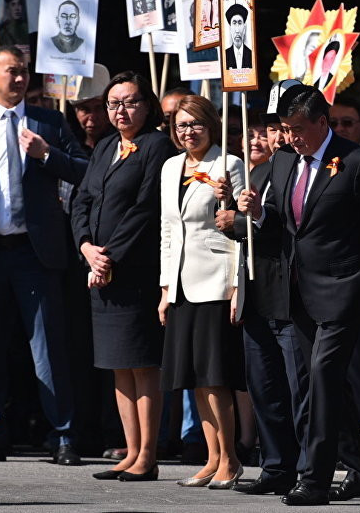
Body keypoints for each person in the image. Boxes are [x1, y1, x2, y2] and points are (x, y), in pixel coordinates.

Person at [238, 85, 360, 505]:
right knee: (326, 386)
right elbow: (285, 225)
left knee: (322, 378)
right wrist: (259, 213)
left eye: (298, 129)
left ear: (322, 122)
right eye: (285, 129)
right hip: (298, 290)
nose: (291, 137)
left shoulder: (356, 163)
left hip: (344, 289)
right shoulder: (284, 159)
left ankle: (314, 478)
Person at [0, 46, 88, 465]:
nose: (19, 78)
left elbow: (83, 170)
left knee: (48, 349)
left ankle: (63, 436)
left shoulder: (49, 121)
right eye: (11, 71)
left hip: (34, 254)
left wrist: (46, 153)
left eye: (24, 71)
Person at [71, 71, 174, 482]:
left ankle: (148, 454)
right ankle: (130, 451)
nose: (121, 110)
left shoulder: (156, 146)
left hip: (134, 271)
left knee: (143, 363)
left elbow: (146, 208)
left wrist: (109, 258)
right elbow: (83, 198)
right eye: (114, 103)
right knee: (117, 365)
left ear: (146, 105)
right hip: (100, 271)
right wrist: (85, 248)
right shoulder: (106, 146)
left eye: (130, 102)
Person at [212, 79, 299, 496]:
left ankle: (309, 465)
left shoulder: (294, 168)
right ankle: (275, 465)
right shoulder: (256, 172)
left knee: (297, 386)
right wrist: (229, 213)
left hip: (290, 293)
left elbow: (285, 227)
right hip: (255, 290)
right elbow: (242, 233)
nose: (267, 135)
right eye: (266, 127)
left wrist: (252, 219)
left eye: (276, 127)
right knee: (262, 386)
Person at [159, 94, 246, 489]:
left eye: (195, 123)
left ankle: (230, 458)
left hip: (215, 280)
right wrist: (164, 288)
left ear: (211, 124)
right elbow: (167, 231)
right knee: (192, 377)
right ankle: (211, 459)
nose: (188, 131)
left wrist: (235, 285)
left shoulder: (228, 163)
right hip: (179, 284)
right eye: (181, 125)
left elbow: (240, 229)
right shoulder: (170, 167)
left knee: (215, 377)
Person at [69, 64, 114, 152]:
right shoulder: (70, 145)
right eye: (85, 110)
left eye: (98, 108)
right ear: (76, 111)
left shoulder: (121, 145)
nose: (92, 117)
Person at [224, 3, 252, 70]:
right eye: (234, 23)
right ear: (230, 28)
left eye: (240, 23)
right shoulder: (225, 56)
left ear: (244, 27)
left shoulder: (251, 55)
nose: (237, 30)